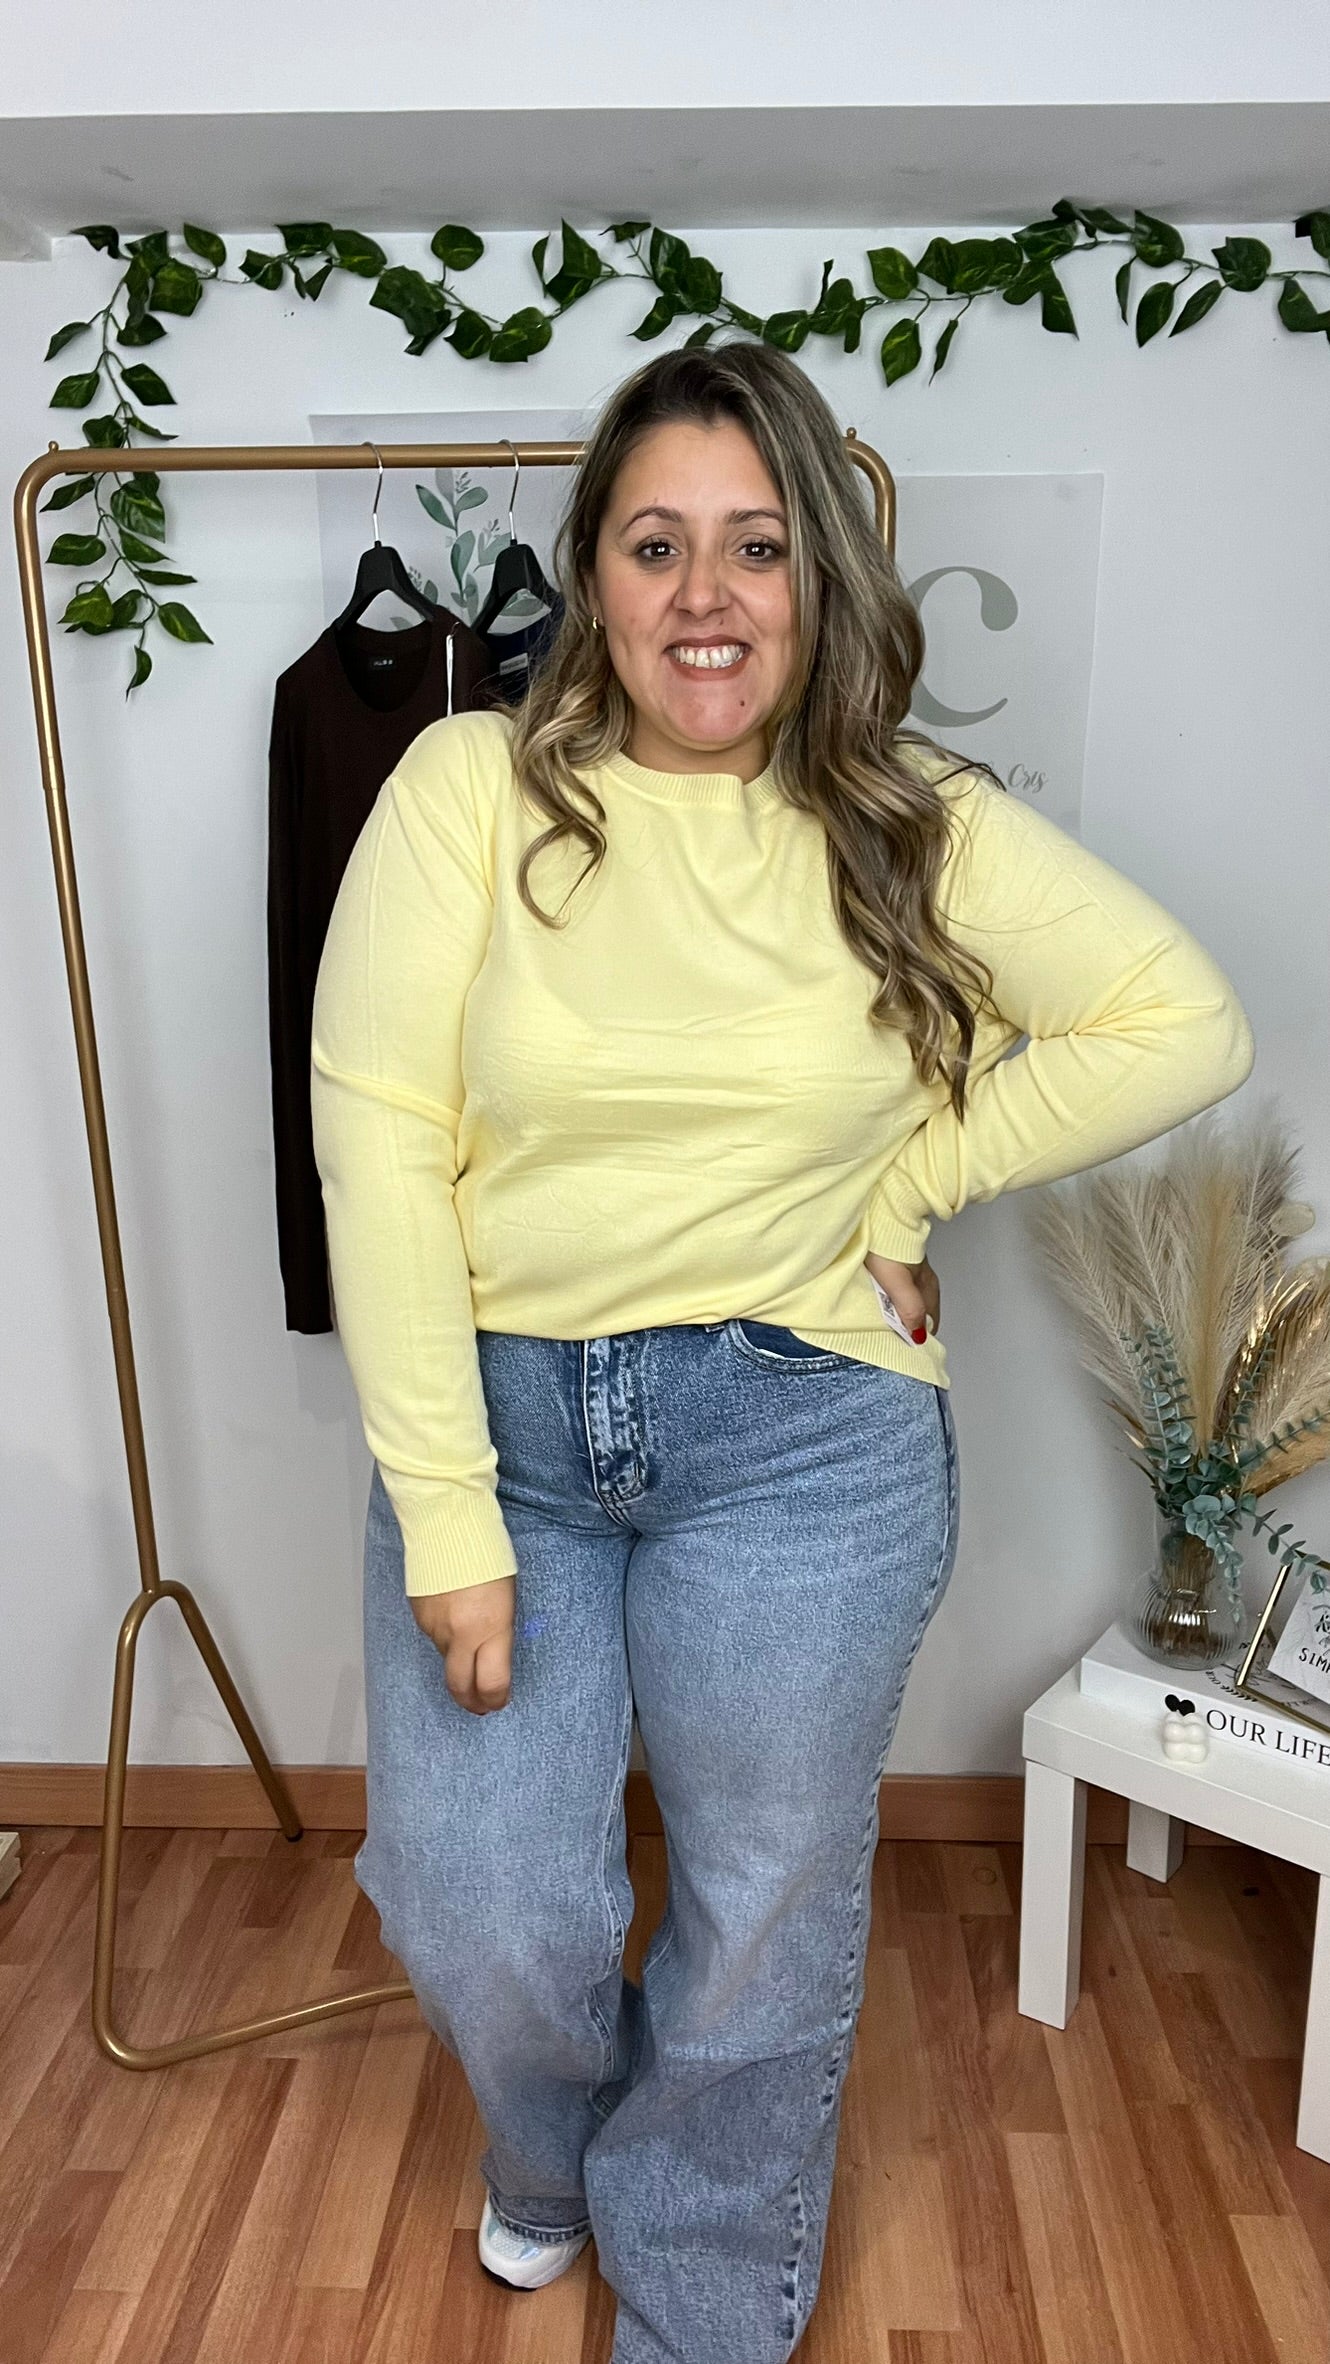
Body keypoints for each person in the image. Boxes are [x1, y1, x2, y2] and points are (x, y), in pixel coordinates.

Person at [309, 341, 1254, 2364]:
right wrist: (448, 1516)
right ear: (592, 573)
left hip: (804, 1437)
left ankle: (705, 2304)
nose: (704, 595)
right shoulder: (467, 790)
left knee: (757, 1906)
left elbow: (1178, 1019)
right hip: (505, 1430)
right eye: (654, 545)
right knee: (481, 1900)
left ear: (818, 573)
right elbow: (376, 1142)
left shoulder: (908, 824)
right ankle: (554, 2156)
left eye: (753, 545)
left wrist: (914, 1181)